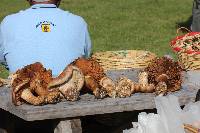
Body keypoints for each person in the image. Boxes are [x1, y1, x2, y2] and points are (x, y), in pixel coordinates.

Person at [0, 0, 92, 76]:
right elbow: (85, 58)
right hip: (68, 87)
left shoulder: (8, 22)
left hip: (23, 90)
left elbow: (4, 60)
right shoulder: (78, 22)